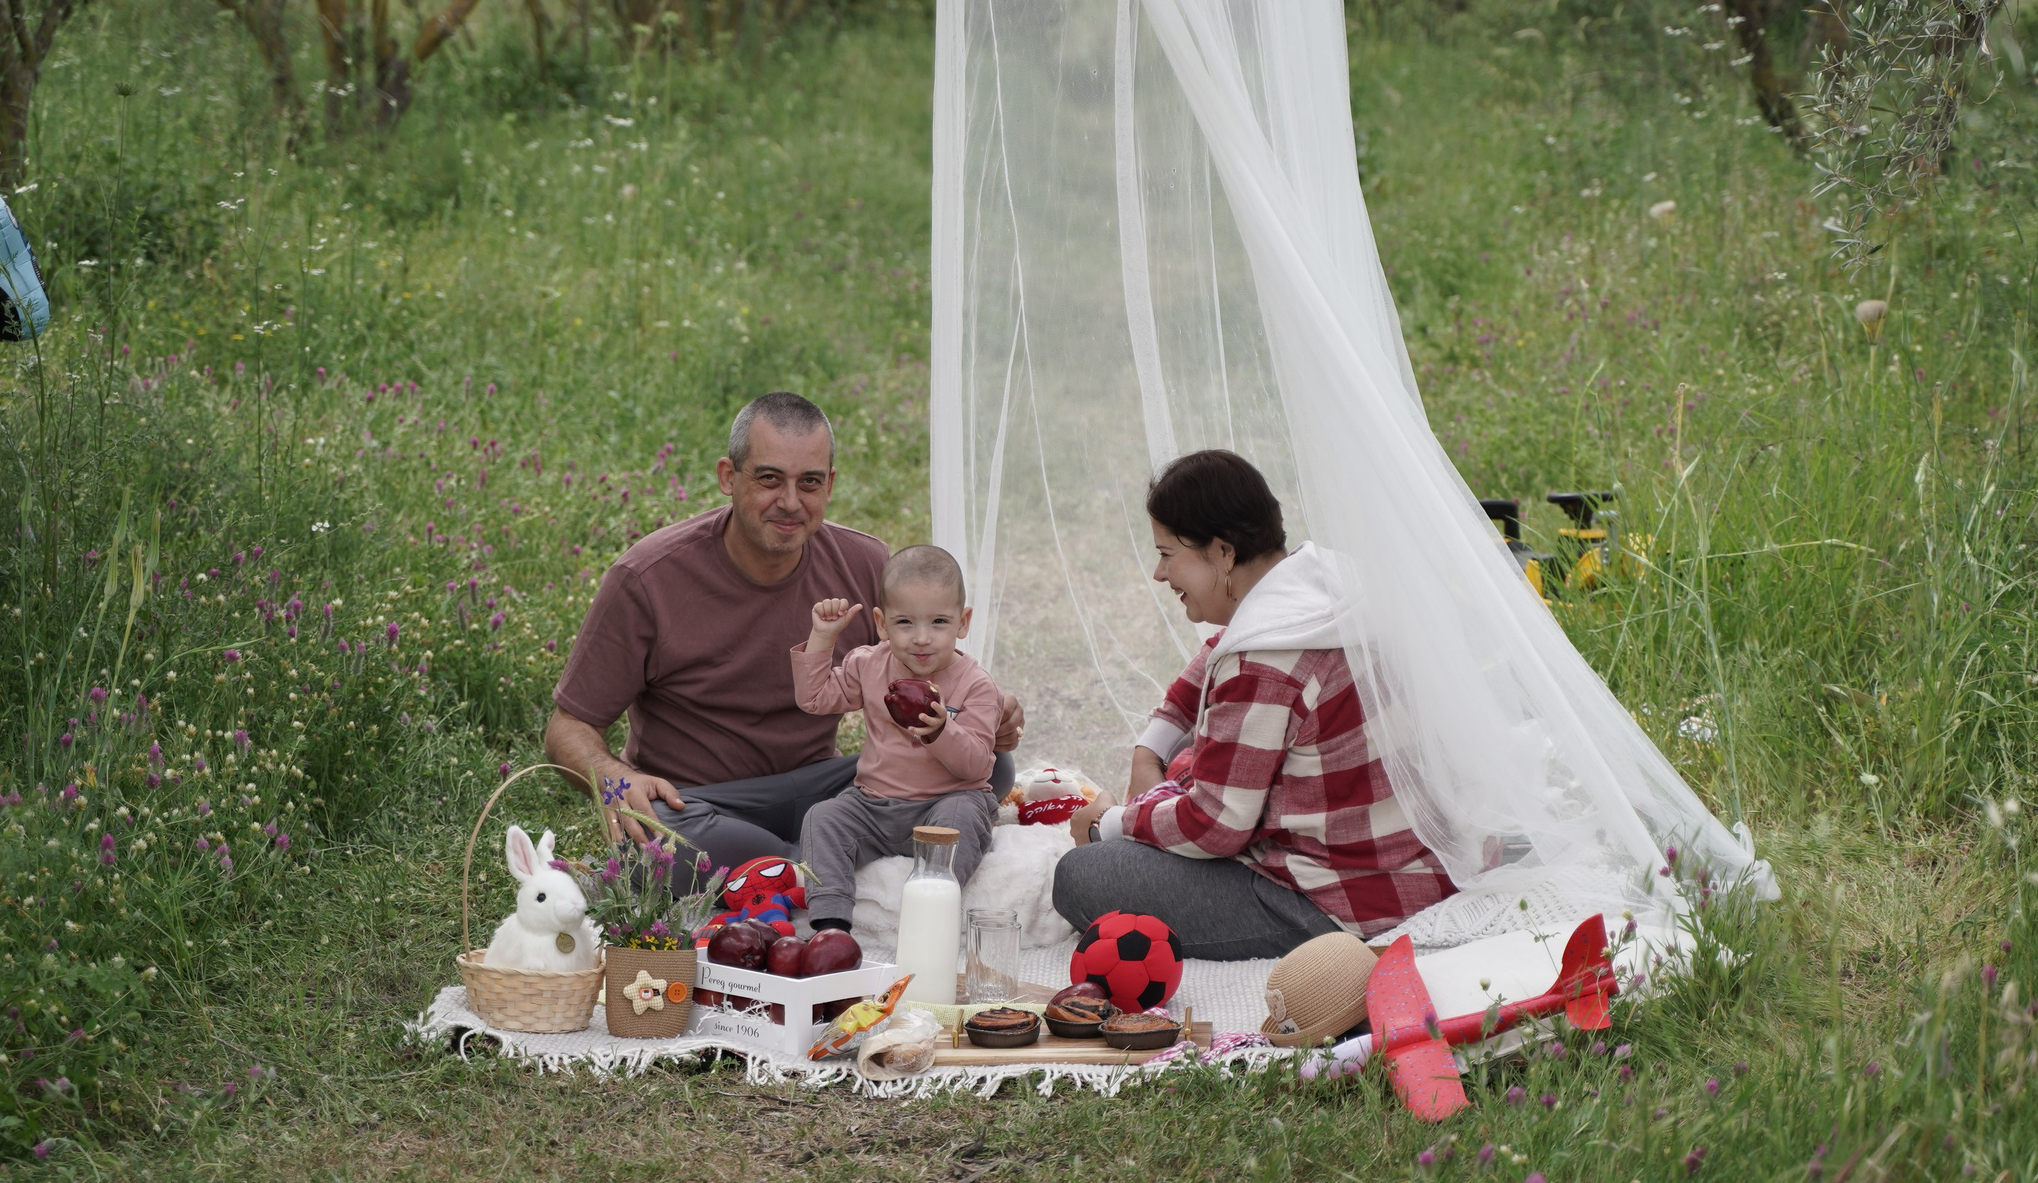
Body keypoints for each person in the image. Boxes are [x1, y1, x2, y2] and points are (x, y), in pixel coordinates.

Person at [543, 392, 1023, 872]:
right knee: (654, 836)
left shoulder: (865, 563)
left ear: (830, 484)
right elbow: (568, 726)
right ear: (728, 477)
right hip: (699, 803)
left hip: (824, 785)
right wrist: (612, 778)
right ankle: (821, 863)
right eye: (769, 479)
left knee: (993, 765)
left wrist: (976, 712)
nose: (790, 503)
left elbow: (919, 667)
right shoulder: (648, 578)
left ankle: (795, 865)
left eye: (809, 482)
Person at [1054, 449, 1455, 961]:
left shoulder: (1262, 664)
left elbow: (1217, 827)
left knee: (1080, 876)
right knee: (1182, 774)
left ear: (1222, 551)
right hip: (1419, 858)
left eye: (1168, 553)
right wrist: (1147, 751)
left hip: (1342, 900)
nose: (1158, 573)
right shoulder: (1319, 583)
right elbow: (1212, 656)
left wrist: (1109, 823)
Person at [791, 544, 1003, 931]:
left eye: (939, 622)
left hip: (946, 799)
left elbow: (976, 764)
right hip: (873, 804)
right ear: (882, 624)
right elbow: (814, 698)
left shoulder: (976, 685)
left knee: (961, 819)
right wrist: (823, 638)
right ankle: (831, 921)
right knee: (822, 817)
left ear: (963, 622)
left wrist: (941, 730)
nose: (922, 638)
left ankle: (930, 913)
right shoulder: (868, 664)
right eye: (905, 623)